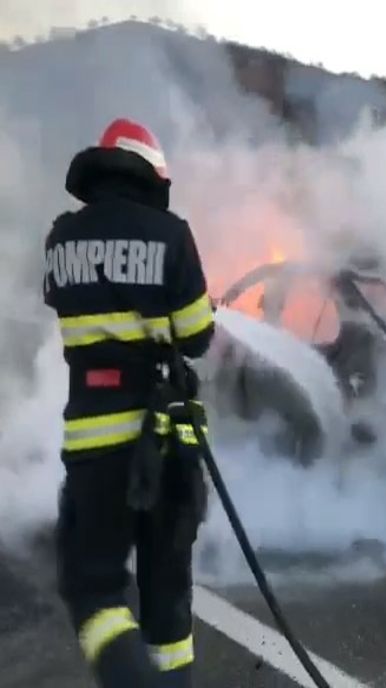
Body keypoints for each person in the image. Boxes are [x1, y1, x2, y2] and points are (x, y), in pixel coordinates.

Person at [42, 118, 216, 687]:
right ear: (151, 176)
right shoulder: (171, 235)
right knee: (167, 597)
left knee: (93, 589)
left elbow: (64, 303)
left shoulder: (62, 237)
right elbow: (198, 336)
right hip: (167, 443)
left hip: (96, 445)